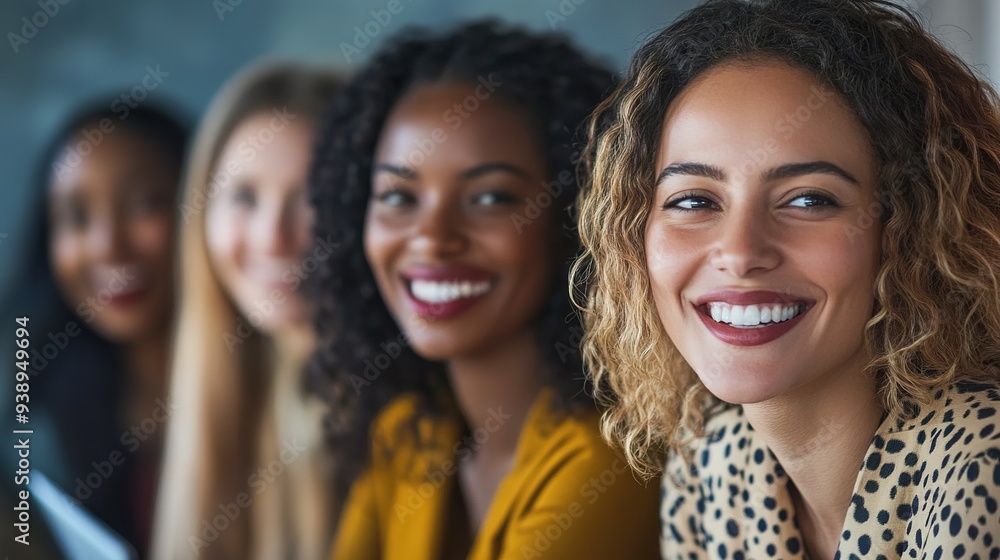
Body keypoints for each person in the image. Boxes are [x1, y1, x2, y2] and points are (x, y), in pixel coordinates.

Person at [571, 0, 1000, 558]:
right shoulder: (711, 459)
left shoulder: (982, 462)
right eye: (695, 199)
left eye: (808, 199)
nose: (741, 252)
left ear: (914, 225)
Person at [309, 20, 660, 560]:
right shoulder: (408, 433)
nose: (432, 238)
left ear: (574, 217)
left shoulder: (614, 455)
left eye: (490, 198)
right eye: (399, 197)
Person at [150, 63, 343, 560]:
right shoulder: (247, 376)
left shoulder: (391, 420)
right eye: (244, 196)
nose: (271, 237)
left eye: (314, 199)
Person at [1, 103, 188, 557]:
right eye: (76, 217)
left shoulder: (277, 387)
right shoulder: (34, 414)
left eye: (144, 203)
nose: (108, 245)